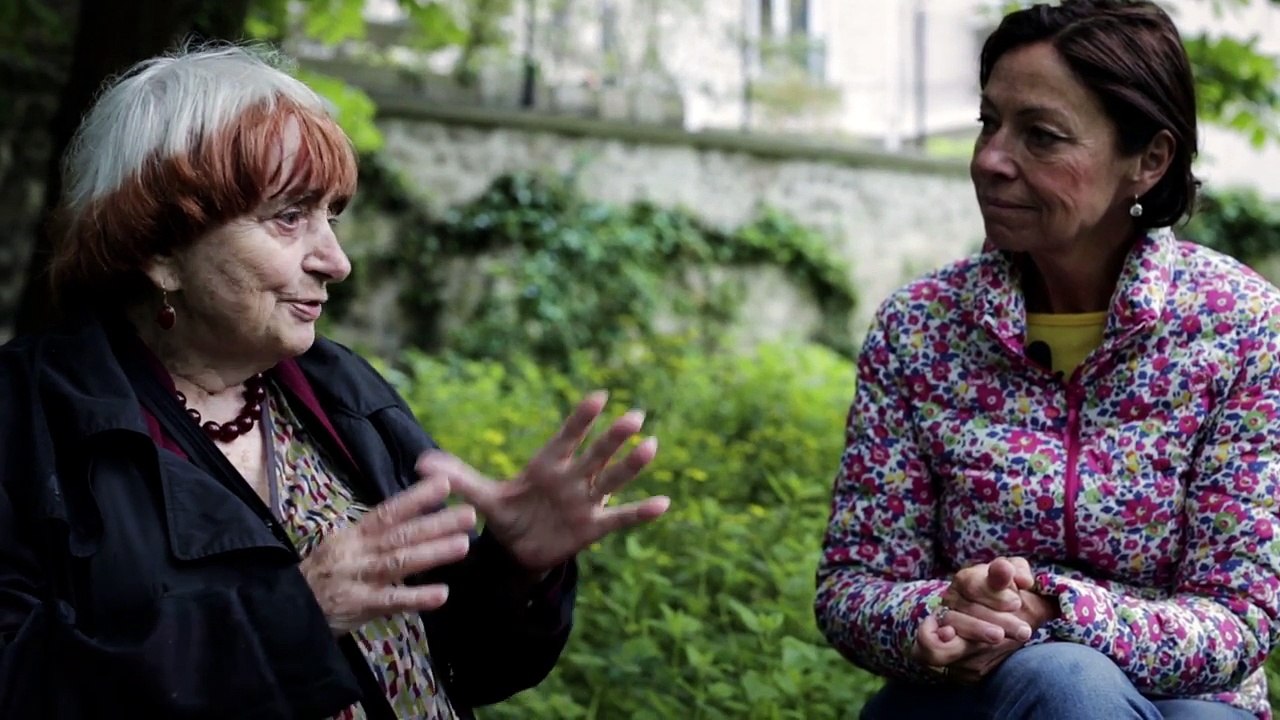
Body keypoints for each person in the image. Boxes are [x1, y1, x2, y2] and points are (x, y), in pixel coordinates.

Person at [0, 43, 670, 719]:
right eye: (290, 217)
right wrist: (294, 616)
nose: (337, 261)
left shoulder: (339, 391)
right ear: (159, 249)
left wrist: (515, 568)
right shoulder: (27, 423)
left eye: (332, 217)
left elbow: (459, 665)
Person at [814, 2, 1280, 719]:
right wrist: (941, 613)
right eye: (988, 122)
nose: (991, 159)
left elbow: (1240, 616)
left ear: (1148, 162)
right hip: (960, 697)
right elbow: (853, 585)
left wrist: (1052, 611)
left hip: (1190, 701)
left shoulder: (1239, 327)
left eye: (1042, 136)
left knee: (1077, 684)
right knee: (1053, 684)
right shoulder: (920, 329)